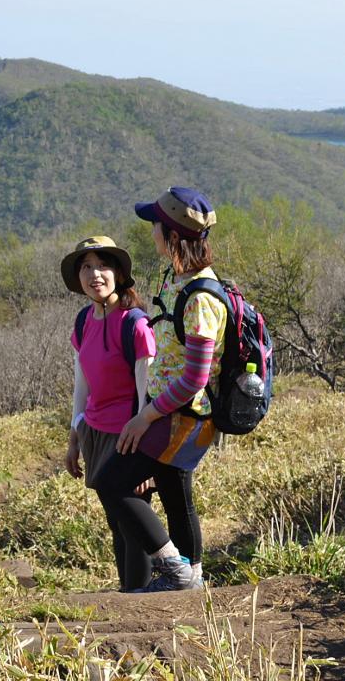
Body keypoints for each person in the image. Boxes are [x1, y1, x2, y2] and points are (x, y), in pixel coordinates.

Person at [95, 186, 226, 592]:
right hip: (171, 413)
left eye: (155, 224)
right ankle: (193, 578)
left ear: (171, 236)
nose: (151, 230)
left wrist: (145, 414)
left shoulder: (202, 297)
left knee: (111, 482)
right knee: (174, 491)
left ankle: (174, 570)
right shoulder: (178, 277)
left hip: (180, 417)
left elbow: (194, 379)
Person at [60, 236, 156, 592]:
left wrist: (145, 458)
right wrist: (73, 438)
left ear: (118, 273)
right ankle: (129, 591)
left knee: (132, 521)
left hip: (130, 435)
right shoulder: (84, 321)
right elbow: (81, 386)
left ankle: (139, 594)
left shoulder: (136, 324)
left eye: (102, 266)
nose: (94, 274)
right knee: (116, 521)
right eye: (86, 267)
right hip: (95, 433)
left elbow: (147, 394)